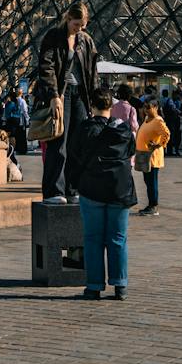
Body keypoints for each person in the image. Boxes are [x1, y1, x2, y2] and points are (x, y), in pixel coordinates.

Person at [65, 89, 136, 300]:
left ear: (92, 106)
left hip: (92, 189)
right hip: (119, 189)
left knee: (93, 239)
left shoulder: (85, 129)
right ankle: (120, 285)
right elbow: (131, 151)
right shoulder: (123, 129)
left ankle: (94, 286)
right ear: (111, 106)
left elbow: (73, 156)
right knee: (118, 239)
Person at [36, 2, 96, 205]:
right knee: (58, 143)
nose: (79, 29)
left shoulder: (86, 40)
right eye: (76, 24)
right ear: (68, 18)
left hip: (80, 94)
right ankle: (54, 191)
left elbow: (91, 73)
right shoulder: (54, 36)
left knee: (77, 144)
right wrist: (53, 95)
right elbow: (46, 67)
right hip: (61, 94)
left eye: (82, 25)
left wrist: (94, 101)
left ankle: (72, 188)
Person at [134, 101, 169, 216]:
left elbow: (166, 134)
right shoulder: (147, 119)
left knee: (152, 182)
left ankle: (153, 206)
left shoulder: (158, 121)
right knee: (148, 181)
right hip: (144, 155)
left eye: (148, 108)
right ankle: (151, 204)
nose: (146, 110)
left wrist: (158, 145)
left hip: (152, 157)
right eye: (144, 107)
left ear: (156, 107)